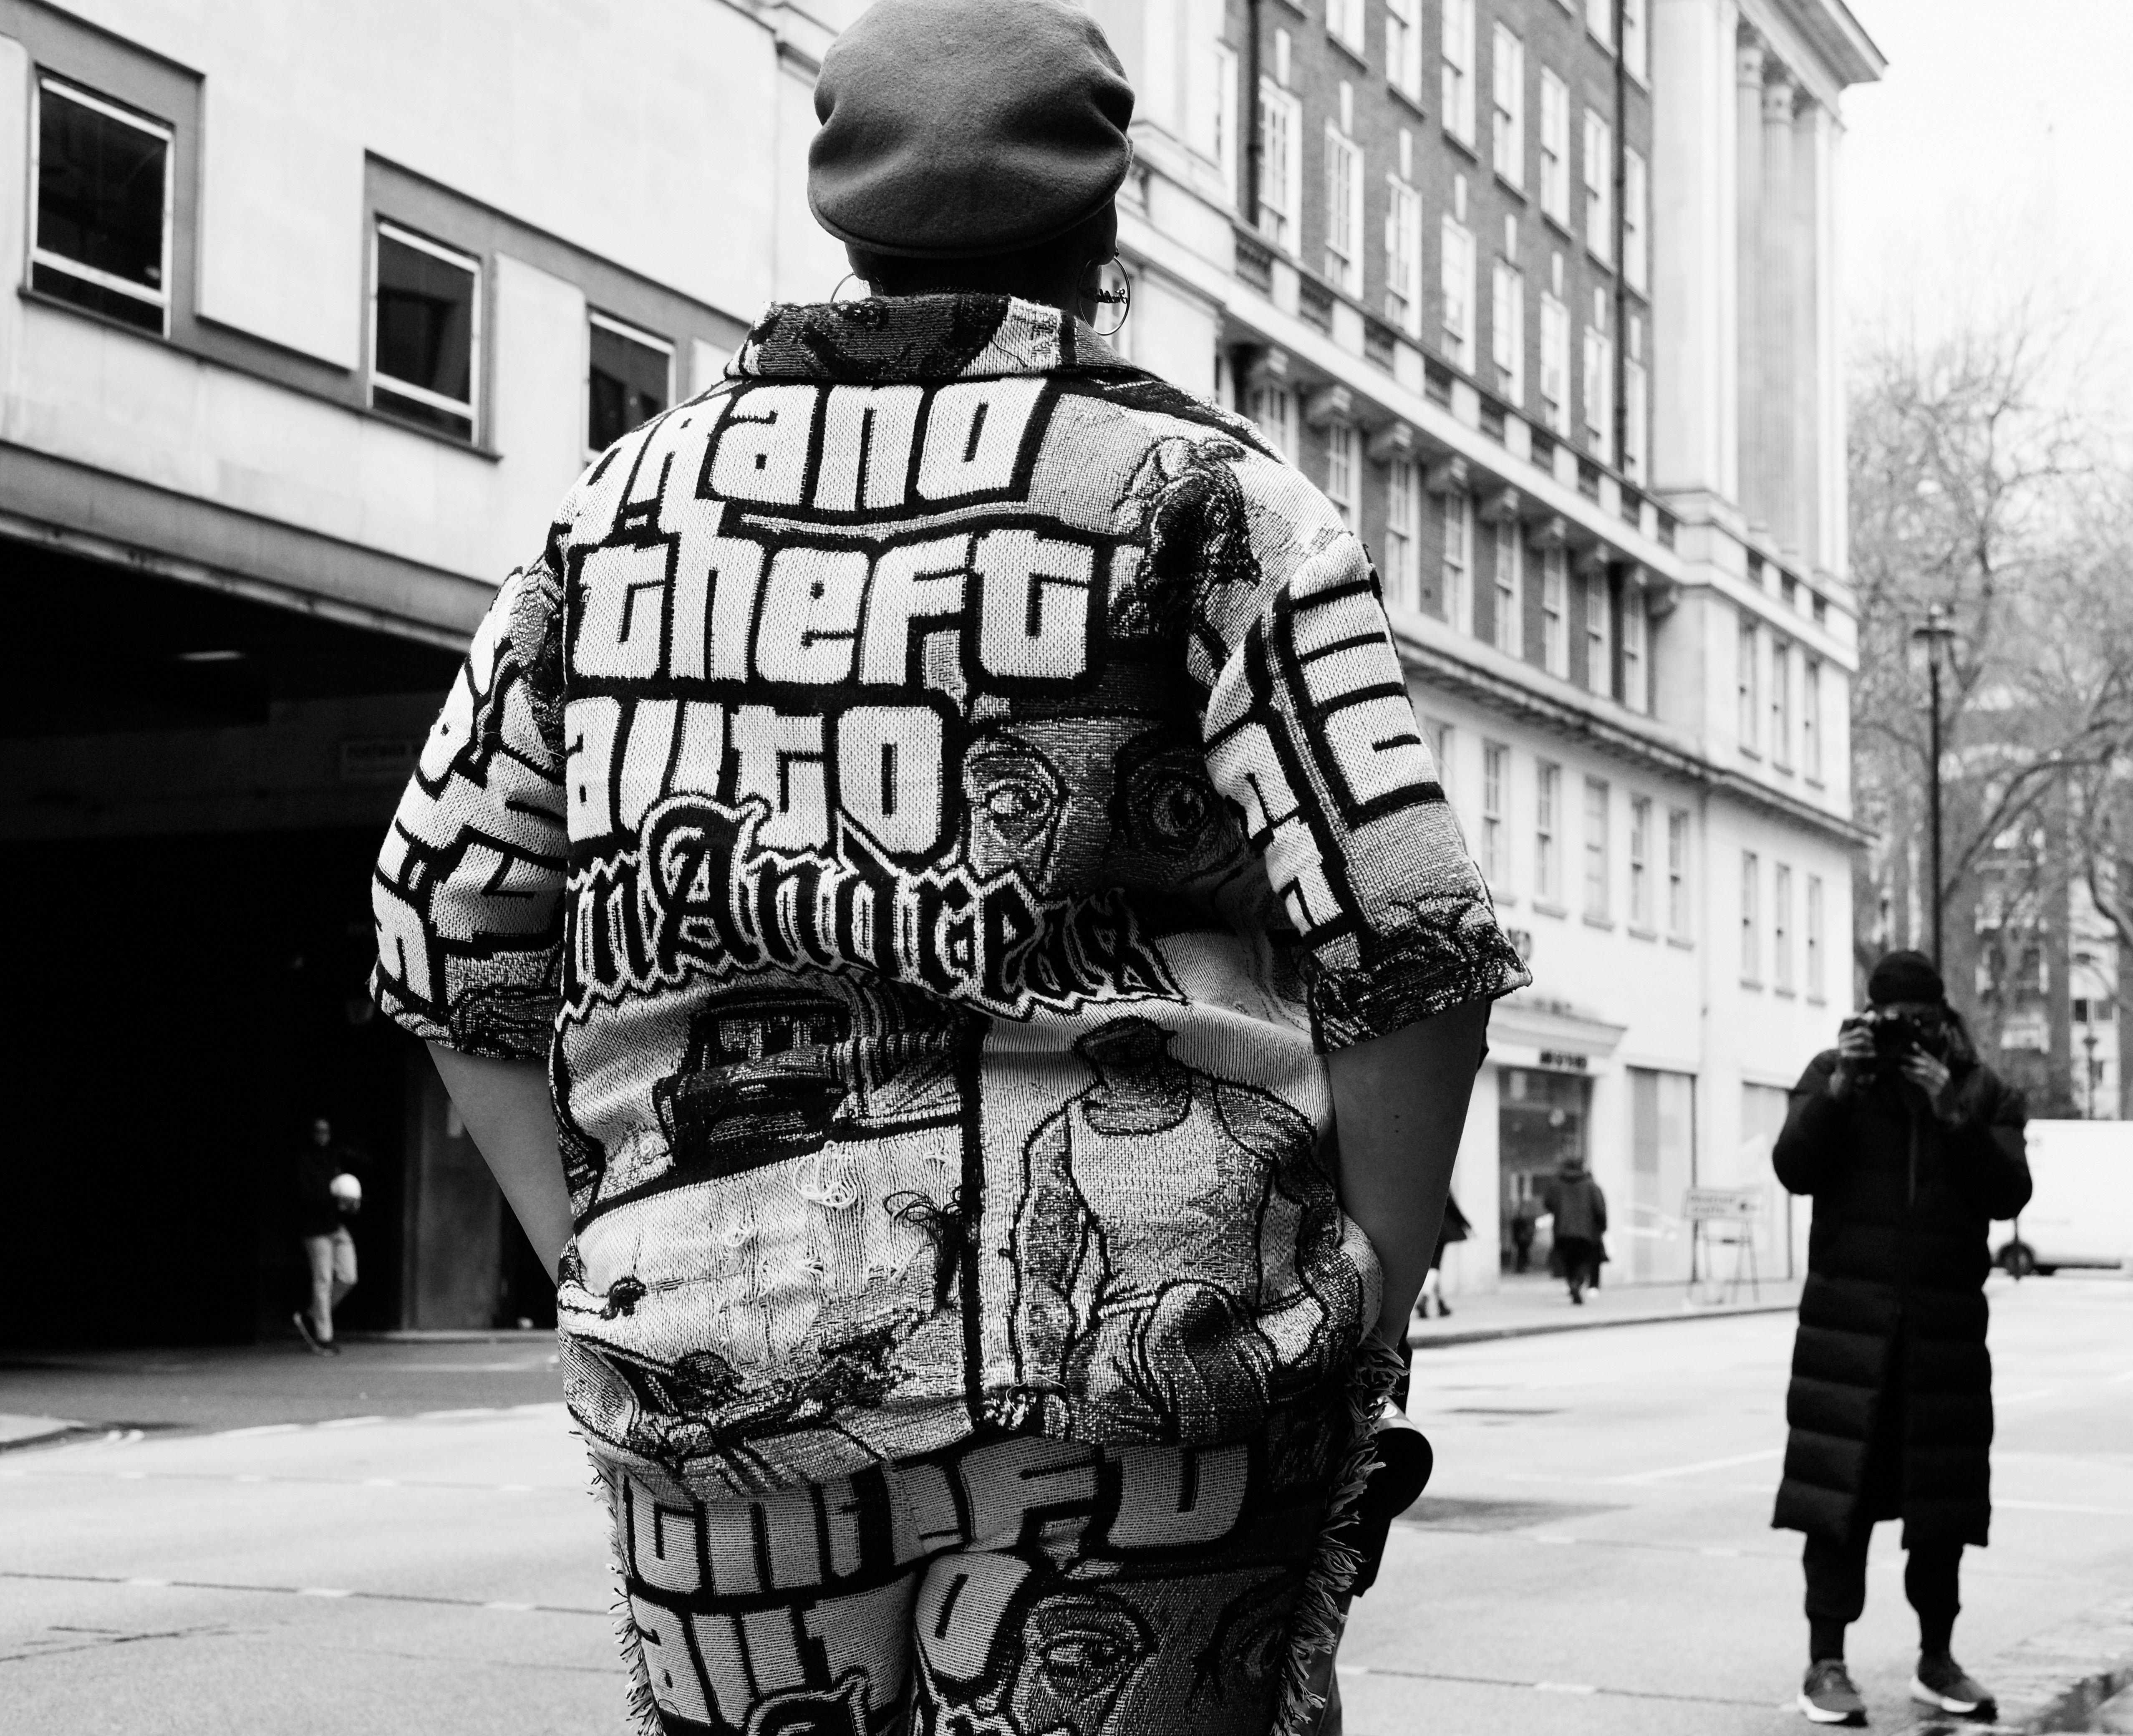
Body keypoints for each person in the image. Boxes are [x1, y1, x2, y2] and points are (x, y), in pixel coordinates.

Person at [369, 3, 1528, 1730]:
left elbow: (443, 926)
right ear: (1106, 219)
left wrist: (597, 1246)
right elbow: (1412, 931)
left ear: (844, 210)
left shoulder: (611, 520)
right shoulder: (1214, 506)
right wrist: (1362, 1276)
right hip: (1150, 1369)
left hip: (714, 1360)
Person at [1772, 950, 2030, 1728]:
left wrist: (1949, 1106)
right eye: (1891, 1022)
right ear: (1866, 1018)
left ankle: (1936, 1659)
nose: (1905, 1036)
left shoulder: (1981, 1089)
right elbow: (1793, 1166)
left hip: (1943, 1339)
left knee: (1940, 1510)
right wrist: (1843, 1089)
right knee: (1835, 1507)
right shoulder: (1833, 1074)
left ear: (1943, 1017)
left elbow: (2007, 1191)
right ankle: (1824, 1664)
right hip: (1844, 1340)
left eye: (1918, 1021)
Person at [292, 1116, 361, 1356]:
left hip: (335, 1227)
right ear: (311, 1134)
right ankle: (324, 1337)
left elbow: (343, 1190)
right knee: (323, 1280)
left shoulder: (333, 1158)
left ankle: (312, 1316)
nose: (323, 1136)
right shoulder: (304, 1160)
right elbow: (306, 1196)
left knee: (349, 1276)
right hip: (315, 1230)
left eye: (326, 1132)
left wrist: (350, 1203)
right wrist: (333, 1197)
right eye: (318, 1131)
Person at [1542, 1156, 1606, 1303]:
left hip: (1562, 1231)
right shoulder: (1591, 1186)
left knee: (1569, 1261)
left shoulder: (1557, 1185)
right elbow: (1600, 1209)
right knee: (1583, 1260)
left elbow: (1548, 1203)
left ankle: (1572, 1282)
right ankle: (1577, 1282)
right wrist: (1602, 1227)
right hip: (1586, 1232)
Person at [1416, 1195, 1470, 1319]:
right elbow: (1452, 1206)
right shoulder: (1438, 1178)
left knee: (1434, 1268)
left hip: (1422, 1228)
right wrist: (1466, 1224)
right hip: (1439, 1229)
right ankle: (1424, 1298)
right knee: (1434, 1267)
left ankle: (1441, 1305)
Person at [1508, 1192, 1540, 1273]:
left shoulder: (1519, 1220)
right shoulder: (1520, 1221)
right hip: (1522, 1239)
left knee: (1522, 1253)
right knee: (1522, 1254)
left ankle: (1521, 1268)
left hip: (1521, 1239)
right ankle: (1521, 1268)